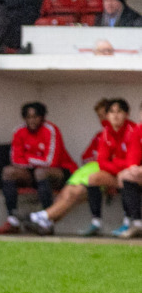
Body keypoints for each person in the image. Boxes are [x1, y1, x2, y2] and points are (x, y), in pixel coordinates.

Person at [25, 99, 137, 236]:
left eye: (119, 112)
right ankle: (46, 220)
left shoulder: (133, 131)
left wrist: (114, 163)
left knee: (75, 192)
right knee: (71, 190)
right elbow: (98, 160)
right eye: (108, 113)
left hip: (129, 175)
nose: (113, 116)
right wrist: (115, 164)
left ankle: (44, 217)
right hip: (105, 173)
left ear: (126, 114)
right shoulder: (104, 134)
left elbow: (131, 162)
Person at [0, 102, 78, 234]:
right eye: (28, 117)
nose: (32, 120)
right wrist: (33, 161)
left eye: (35, 116)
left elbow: (51, 161)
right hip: (34, 172)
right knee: (8, 172)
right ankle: (12, 220)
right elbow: (15, 159)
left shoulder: (50, 130)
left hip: (59, 172)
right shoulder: (19, 131)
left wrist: (28, 158)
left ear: (42, 117)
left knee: (41, 172)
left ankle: (47, 221)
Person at [116, 103, 142, 238]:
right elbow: (133, 153)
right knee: (125, 176)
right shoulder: (139, 129)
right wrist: (133, 167)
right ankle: (137, 224)